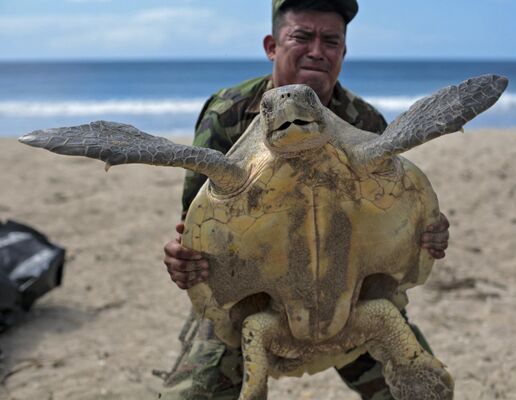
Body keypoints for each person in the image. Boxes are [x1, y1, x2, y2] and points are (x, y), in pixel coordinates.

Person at [159, 1, 449, 399]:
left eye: (331, 40)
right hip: (255, 301)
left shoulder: (365, 123)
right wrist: (184, 256)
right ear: (272, 45)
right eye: (301, 36)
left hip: (350, 294)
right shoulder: (228, 113)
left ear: (343, 52)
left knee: (420, 390)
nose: (317, 50)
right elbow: (195, 224)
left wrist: (422, 235)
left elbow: (391, 211)